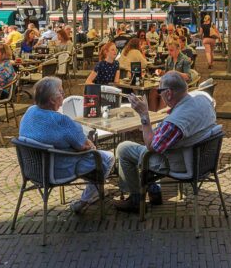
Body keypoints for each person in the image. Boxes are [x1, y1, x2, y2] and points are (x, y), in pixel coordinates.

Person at [113, 71, 218, 213]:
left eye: (159, 91)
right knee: (144, 150)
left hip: (179, 163)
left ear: (168, 93)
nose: (159, 94)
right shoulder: (203, 100)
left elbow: (151, 146)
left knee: (123, 148)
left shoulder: (174, 124)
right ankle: (154, 191)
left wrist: (144, 116)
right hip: (202, 159)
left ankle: (136, 199)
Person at [19, 76, 114, 214]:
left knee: (91, 156)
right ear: (52, 99)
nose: (63, 94)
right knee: (107, 157)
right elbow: (83, 145)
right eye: (61, 92)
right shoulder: (61, 120)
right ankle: (86, 199)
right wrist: (91, 146)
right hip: (57, 170)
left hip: (33, 170)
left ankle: (91, 191)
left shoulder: (29, 112)